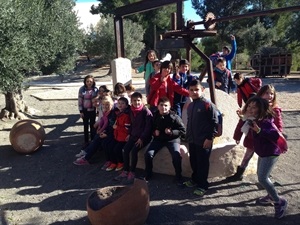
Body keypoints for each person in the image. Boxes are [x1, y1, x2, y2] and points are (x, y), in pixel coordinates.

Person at [227, 84, 283, 181]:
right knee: (247, 156)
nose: (269, 96)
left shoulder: (274, 110)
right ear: (260, 94)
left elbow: (278, 126)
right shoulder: (253, 106)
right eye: (266, 93)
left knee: (265, 158)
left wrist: (278, 135)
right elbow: (242, 121)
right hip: (252, 138)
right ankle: (239, 174)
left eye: (272, 94)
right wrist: (237, 136)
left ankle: (265, 177)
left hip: (266, 140)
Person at [246, 97, 287, 219]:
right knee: (262, 176)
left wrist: (259, 130)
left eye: (254, 107)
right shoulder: (256, 119)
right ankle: (270, 195)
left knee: (263, 178)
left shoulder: (266, 121)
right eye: (249, 106)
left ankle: (279, 201)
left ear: (261, 109)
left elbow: (274, 135)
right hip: (263, 152)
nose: (250, 109)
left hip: (270, 153)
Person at [184, 80, 219, 196]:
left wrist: (209, 138)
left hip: (204, 141)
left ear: (202, 90)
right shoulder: (190, 105)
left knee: (202, 163)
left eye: (197, 90)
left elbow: (214, 122)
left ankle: (203, 185)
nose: (194, 92)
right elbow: (190, 122)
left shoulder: (207, 104)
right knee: (194, 161)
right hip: (192, 140)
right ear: (188, 91)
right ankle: (195, 179)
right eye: (191, 90)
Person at [144, 97, 186, 184]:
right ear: (158, 106)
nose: (164, 107)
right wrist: (154, 133)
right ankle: (148, 174)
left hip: (172, 140)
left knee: (176, 156)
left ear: (170, 106)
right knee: (148, 154)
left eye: (166, 105)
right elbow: (150, 128)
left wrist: (172, 132)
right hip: (158, 139)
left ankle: (178, 176)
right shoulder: (155, 115)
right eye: (161, 105)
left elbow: (183, 130)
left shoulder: (175, 117)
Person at [114, 92, 153, 182]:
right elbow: (131, 124)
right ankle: (125, 170)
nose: (136, 103)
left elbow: (148, 128)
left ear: (142, 100)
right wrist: (129, 134)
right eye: (134, 101)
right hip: (133, 135)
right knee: (125, 150)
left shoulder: (145, 111)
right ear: (131, 101)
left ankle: (132, 171)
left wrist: (142, 138)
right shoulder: (131, 110)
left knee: (134, 151)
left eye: (138, 100)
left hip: (144, 137)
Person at [73, 96, 117, 166]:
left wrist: (105, 133)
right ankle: (86, 154)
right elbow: (103, 121)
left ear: (111, 104)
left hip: (112, 133)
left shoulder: (112, 114)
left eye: (107, 104)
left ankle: (86, 157)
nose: (105, 106)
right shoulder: (106, 112)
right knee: (97, 137)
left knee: (99, 138)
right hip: (107, 131)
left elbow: (111, 127)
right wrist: (100, 128)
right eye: (103, 104)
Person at [104, 97, 131, 172]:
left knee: (117, 149)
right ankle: (113, 162)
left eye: (122, 103)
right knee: (109, 145)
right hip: (117, 136)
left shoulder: (126, 115)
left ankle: (121, 162)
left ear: (126, 105)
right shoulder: (118, 113)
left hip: (123, 137)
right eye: (119, 103)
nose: (120, 105)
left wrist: (117, 127)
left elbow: (127, 129)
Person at [78, 75, 99, 150]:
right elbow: (80, 101)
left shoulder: (96, 90)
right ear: (85, 82)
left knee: (93, 126)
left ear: (93, 82)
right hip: (85, 111)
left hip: (92, 110)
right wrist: (81, 111)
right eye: (87, 81)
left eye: (90, 81)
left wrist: (98, 111)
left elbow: (98, 101)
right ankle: (86, 141)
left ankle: (93, 140)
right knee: (85, 126)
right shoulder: (82, 89)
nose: (89, 83)